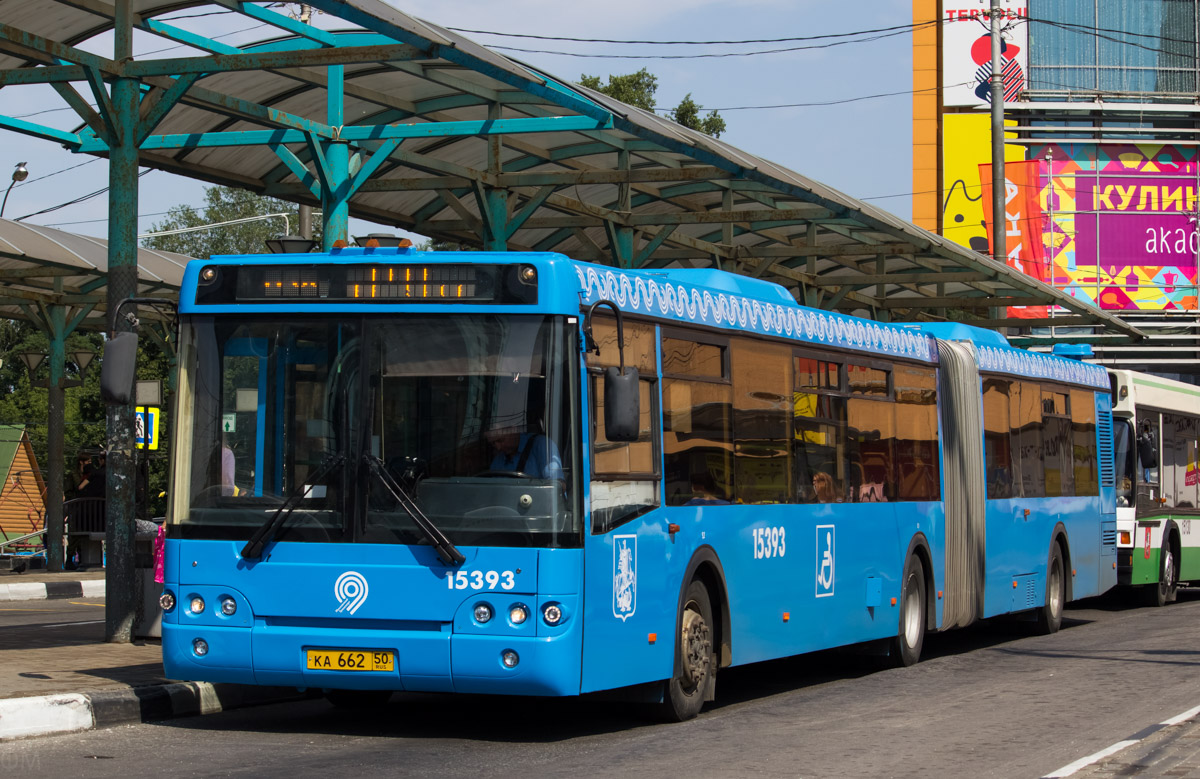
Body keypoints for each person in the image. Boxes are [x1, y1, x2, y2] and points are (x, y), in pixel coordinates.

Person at [486, 425, 563, 480]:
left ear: (513, 430)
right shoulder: (498, 460)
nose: (498, 447)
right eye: (493, 444)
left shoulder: (542, 445)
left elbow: (557, 486)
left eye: (500, 440)